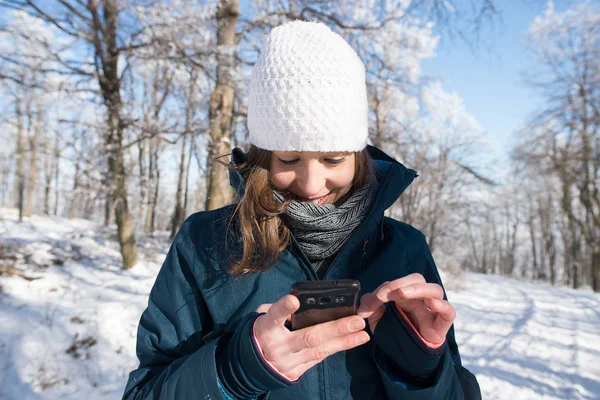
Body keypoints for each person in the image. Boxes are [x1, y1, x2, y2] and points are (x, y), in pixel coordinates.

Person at [123, 20, 481, 400]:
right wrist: (235, 370)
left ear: (358, 157)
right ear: (264, 155)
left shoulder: (405, 249)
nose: (311, 184)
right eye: (290, 157)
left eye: (332, 158)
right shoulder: (203, 242)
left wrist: (422, 365)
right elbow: (145, 392)